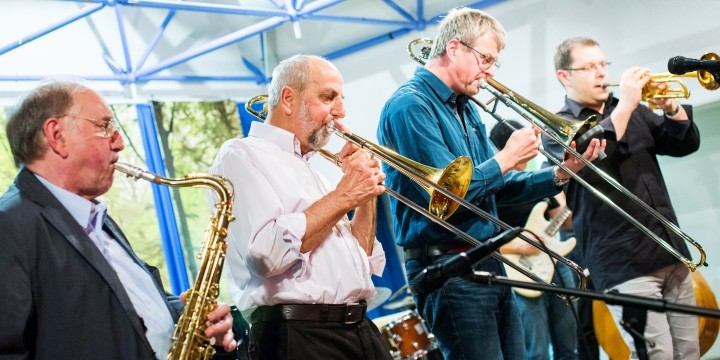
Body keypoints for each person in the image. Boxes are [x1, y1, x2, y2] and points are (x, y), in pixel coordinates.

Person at [376, 8, 604, 360]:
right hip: (448, 269)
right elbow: (447, 196)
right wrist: (506, 158)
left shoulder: (466, 108)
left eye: (494, 62)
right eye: (486, 59)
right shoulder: (410, 105)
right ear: (455, 48)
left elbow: (497, 187)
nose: (490, 71)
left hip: (488, 262)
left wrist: (560, 173)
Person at [0, 81, 237, 360]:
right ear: (56, 135)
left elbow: (127, 307)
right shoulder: (10, 225)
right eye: (104, 126)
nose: (120, 142)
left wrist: (192, 318)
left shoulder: (97, 218)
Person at [209, 54, 392, 360]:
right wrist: (346, 195)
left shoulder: (314, 171)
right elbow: (266, 255)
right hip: (300, 336)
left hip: (358, 328)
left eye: (340, 99)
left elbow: (363, 258)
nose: (341, 110)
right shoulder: (240, 155)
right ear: (288, 99)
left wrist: (366, 194)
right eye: (328, 97)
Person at [544, 37, 700, 359]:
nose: (601, 73)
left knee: (689, 353)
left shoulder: (632, 110)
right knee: (655, 355)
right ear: (564, 77)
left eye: (603, 64)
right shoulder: (558, 127)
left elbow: (685, 143)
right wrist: (628, 105)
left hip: (669, 249)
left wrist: (671, 109)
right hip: (624, 264)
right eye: (589, 67)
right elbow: (588, 156)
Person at [490, 120, 579, 360]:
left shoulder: (537, 176)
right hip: (520, 270)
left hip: (554, 262)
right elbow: (482, 240)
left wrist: (560, 187)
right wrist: (517, 246)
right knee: (537, 351)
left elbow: (565, 220)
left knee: (568, 347)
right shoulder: (493, 187)